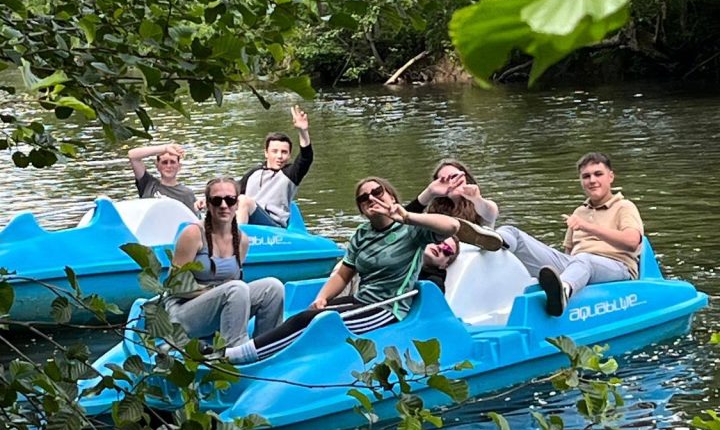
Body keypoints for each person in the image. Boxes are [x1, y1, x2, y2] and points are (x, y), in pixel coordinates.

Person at [225, 177, 460, 364]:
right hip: (362, 300)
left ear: (390, 196)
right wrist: (323, 297)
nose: (371, 198)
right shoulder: (362, 233)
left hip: (387, 307)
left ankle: (241, 356)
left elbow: (452, 226)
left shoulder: (411, 230)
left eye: (377, 192)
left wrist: (408, 216)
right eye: (364, 198)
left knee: (316, 321)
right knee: (305, 314)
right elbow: (343, 273)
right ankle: (258, 353)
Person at [456, 152, 643, 317]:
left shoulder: (624, 207)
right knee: (512, 232)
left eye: (598, 174)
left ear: (611, 177)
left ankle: (564, 291)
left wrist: (587, 227)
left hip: (617, 268)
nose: (592, 180)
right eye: (586, 176)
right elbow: (569, 254)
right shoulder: (579, 212)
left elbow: (632, 242)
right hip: (578, 265)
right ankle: (494, 240)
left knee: (584, 259)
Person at [165, 176, 284, 348]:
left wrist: (223, 294)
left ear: (236, 204)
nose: (223, 205)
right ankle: (235, 349)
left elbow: (231, 286)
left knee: (273, 287)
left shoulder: (242, 240)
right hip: (182, 313)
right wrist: (216, 292)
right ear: (208, 204)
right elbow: (173, 285)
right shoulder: (193, 234)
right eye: (216, 200)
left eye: (229, 200)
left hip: (222, 302)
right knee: (237, 288)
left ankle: (266, 345)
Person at [236, 106, 313, 228]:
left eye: (284, 152)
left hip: (274, 226)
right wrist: (207, 202)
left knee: (243, 201)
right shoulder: (255, 172)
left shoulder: (290, 174)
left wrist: (303, 132)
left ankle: (236, 242)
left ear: (289, 155)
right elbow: (232, 191)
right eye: (275, 151)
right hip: (251, 221)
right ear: (266, 153)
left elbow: (306, 158)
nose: (279, 156)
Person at [407, 159, 499, 227]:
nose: (452, 182)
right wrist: (429, 192)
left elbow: (490, 212)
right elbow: (402, 219)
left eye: (455, 176)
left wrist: (476, 199)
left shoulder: (481, 206)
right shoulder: (434, 212)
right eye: (444, 180)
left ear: (466, 178)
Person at [127, 142, 199, 214]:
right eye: (164, 162)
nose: (169, 166)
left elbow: (193, 221)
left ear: (179, 166)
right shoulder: (148, 184)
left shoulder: (186, 193)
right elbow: (132, 156)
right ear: (157, 166)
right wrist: (165, 148)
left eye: (172, 162)